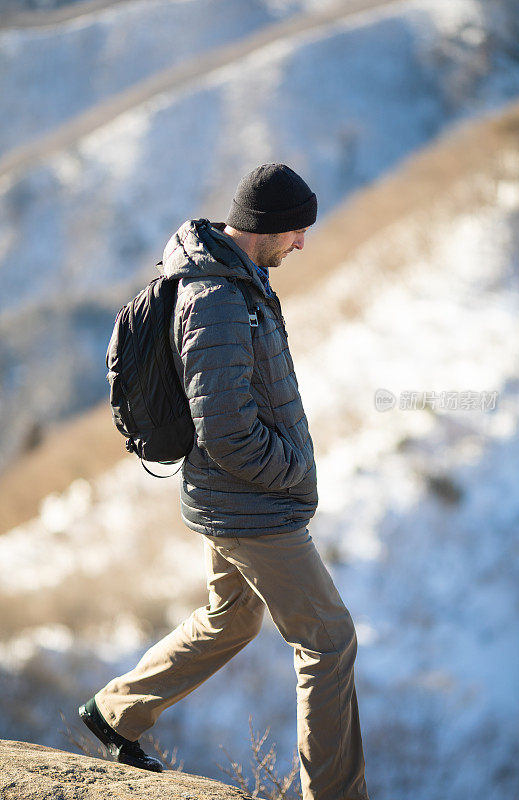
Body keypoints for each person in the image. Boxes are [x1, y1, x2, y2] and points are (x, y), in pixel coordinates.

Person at [79, 164, 370, 800]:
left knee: (230, 618)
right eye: (295, 231)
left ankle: (116, 712)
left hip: (228, 498)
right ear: (264, 228)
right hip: (250, 507)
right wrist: (293, 471)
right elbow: (228, 432)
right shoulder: (217, 300)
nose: (301, 243)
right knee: (328, 639)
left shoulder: (236, 283)